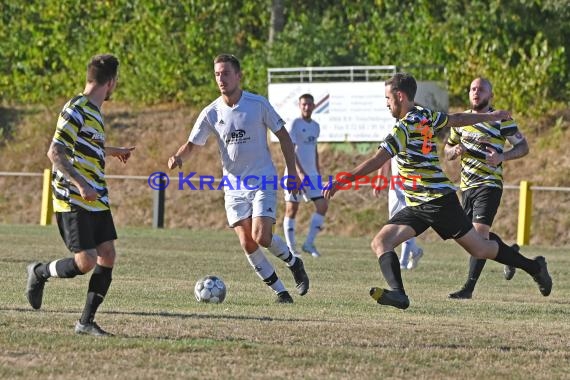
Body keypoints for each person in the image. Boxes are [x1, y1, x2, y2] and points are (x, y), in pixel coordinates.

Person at [322, 72, 552, 310]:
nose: (386, 103)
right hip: (418, 203)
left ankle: (534, 267)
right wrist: (489, 115)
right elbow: (457, 119)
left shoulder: (404, 127)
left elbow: (377, 159)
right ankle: (399, 295)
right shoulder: (425, 115)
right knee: (381, 242)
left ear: (400, 96)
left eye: (388, 98)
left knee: (480, 248)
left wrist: (342, 180)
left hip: (438, 200)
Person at [168, 54, 309, 303]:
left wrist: (293, 173)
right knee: (247, 243)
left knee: (262, 236)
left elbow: (285, 138)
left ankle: (293, 262)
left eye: (225, 73)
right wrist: (179, 157)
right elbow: (192, 144)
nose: (221, 79)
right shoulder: (211, 112)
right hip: (233, 186)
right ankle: (281, 293)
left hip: (262, 179)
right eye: (217, 74)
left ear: (238, 75)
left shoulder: (257, 104)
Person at [25, 54, 135, 336]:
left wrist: (112, 151)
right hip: (73, 196)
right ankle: (39, 272)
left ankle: (85, 322)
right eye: (116, 82)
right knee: (86, 261)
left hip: (95, 196)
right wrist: (80, 184)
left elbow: (85, 146)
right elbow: (55, 153)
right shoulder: (76, 108)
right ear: (110, 82)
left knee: (107, 254)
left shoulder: (94, 111)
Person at [446, 77, 529, 299]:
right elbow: (447, 149)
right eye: (473, 88)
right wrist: (453, 152)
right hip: (467, 187)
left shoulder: (500, 120)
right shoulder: (461, 119)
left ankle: (468, 289)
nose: (476, 92)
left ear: (490, 95)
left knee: (479, 235)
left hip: (489, 184)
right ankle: (510, 255)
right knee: (470, 237)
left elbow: (523, 146)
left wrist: (502, 156)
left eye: (481, 89)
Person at [282, 93, 328, 258]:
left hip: (312, 175)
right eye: (304, 104)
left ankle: (309, 243)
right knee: (292, 209)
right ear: (300, 106)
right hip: (295, 174)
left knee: (322, 206)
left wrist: (317, 170)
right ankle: (291, 249)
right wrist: (299, 173)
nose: (307, 107)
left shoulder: (315, 126)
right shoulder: (295, 124)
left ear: (314, 106)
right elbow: (291, 150)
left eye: (309, 104)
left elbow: (313, 149)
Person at [373, 158, 423, 270]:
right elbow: (384, 158)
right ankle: (415, 251)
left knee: (408, 220)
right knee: (395, 221)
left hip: (413, 182)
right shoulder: (391, 140)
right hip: (395, 184)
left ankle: (403, 262)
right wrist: (379, 180)